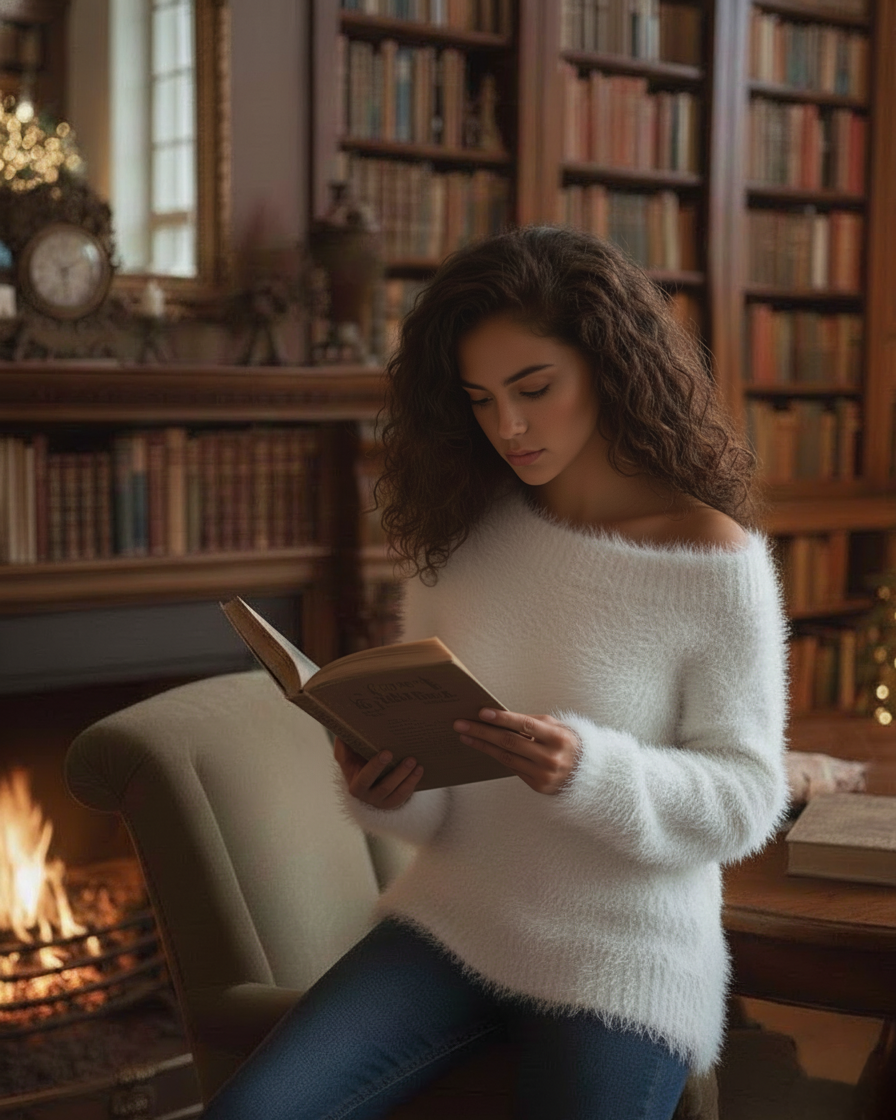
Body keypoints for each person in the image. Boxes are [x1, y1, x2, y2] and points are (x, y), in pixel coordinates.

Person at [202, 226, 789, 1120]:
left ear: (608, 367)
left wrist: (589, 770)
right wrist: (387, 784)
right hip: (455, 922)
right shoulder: (467, 535)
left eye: (533, 388)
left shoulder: (714, 559)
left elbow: (748, 796)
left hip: (624, 952)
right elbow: (446, 799)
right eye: (480, 399)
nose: (507, 426)